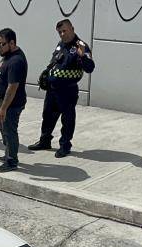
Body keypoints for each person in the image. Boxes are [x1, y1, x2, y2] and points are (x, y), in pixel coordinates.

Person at [29, 19, 95, 158]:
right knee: (47, 116)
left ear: (72, 28)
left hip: (67, 90)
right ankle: (45, 141)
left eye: (65, 30)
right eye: (60, 32)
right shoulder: (61, 44)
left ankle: (65, 146)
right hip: (53, 89)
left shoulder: (81, 46)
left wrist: (82, 55)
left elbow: (90, 68)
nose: (63, 34)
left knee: (67, 119)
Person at [0, 28, 28, 173]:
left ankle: (12, 161)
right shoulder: (10, 55)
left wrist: (3, 108)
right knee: (4, 129)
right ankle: (9, 152)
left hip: (11, 104)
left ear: (12, 43)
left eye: (1, 44)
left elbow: (12, 87)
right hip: (4, 102)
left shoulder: (16, 61)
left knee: (9, 131)